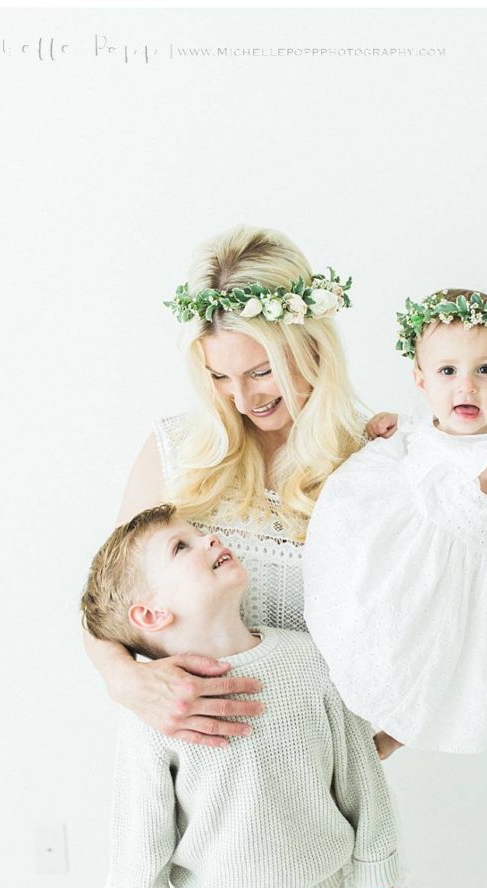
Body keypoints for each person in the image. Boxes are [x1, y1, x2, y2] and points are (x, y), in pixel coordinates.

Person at [82, 504, 399, 888]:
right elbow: (139, 830)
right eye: (181, 546)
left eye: (201, 534)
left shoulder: (309, 660)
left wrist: (376, 865)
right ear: (151, 614)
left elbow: (360, 775)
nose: (207, 540)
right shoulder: (157, 712)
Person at [82, 225, 386, 744]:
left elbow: (430, 625)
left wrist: (362, 756)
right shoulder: (177, 449)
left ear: (312, 346)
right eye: (219, 378)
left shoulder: (374, 463)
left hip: (315, 765)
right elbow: (107, 599)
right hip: (189, 765)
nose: (243, 400)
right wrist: (126, 680)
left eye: (261, 371)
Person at [302, 288, 487, 757]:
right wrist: (390, 422)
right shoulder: (425, 425)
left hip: (444, 590)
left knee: (427, 672)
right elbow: (420, 435)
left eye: (486, 371)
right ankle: (339, 715)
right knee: (362, 630)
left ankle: (383, 745)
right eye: (448, 371)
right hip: (394, 563)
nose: (466, 387)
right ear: (421, 379)